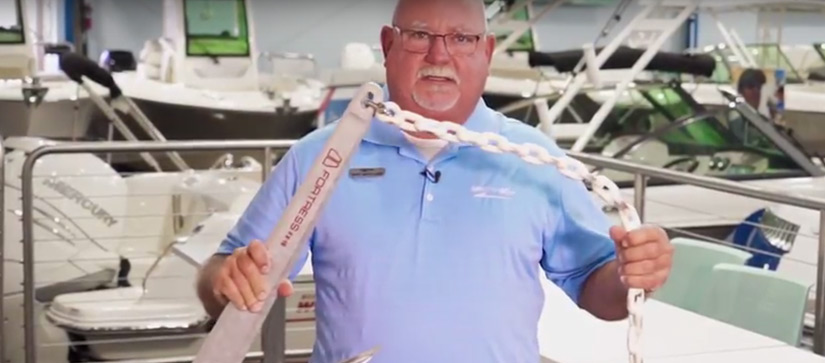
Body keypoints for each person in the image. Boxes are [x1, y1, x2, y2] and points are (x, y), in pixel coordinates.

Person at [196, 0, 674, 362]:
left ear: (486, 51)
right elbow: (218, 280)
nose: (439, 55)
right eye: (419, 35)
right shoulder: (319, 157)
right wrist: (226, 281)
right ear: (388, 45)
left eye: (462, 39)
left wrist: (632, 275)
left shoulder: (536, 159)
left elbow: (598, 291)